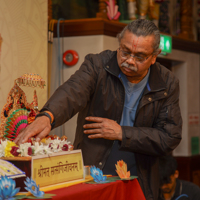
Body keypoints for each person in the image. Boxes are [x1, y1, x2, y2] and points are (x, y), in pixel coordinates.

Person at [14, 19, 182, 200]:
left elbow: (169, 138)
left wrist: (122, 133)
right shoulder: (98, 65)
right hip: (93, 171)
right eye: (125, 51)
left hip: (139, 175)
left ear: (154, 56)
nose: (129, 61)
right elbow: (73, 91)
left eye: (139, 56)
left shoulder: (167, 82)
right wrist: (48, 116)